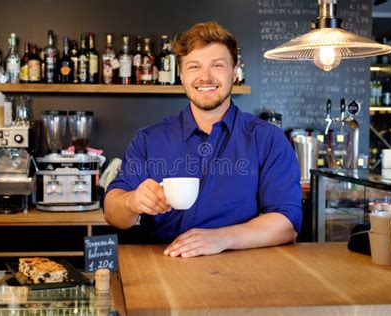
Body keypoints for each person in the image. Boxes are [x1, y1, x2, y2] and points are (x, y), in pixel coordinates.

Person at [104, 21, 302, 258]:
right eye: (194, 67)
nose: (205, 77)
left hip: (244, 271)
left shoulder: (268, 139)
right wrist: (132, 201)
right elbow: (112, 211)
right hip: (162, 266)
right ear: (181, 75)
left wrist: (221, 238)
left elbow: (287, 224)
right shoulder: (148, 139)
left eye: (217, 65)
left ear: (234, 71)